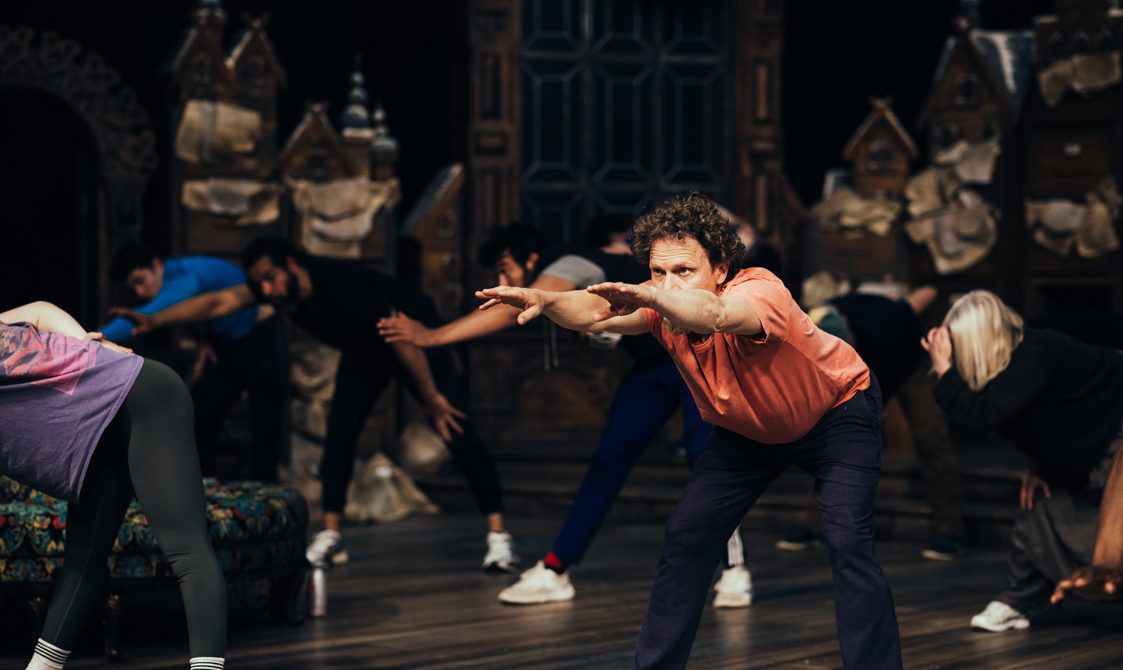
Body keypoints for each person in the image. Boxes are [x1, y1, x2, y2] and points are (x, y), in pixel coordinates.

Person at [477, 193, 902, 669]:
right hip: (748, 435)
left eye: (684, 271)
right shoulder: (661, 303)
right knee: (686, 536)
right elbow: (592, 308)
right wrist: (547, 299)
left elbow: (718, 316)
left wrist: (657, 297)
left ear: (720, 268)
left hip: (837, 414)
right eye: (658, 272)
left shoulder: (761, 290)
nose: (667, 283)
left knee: (847, 543)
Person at [377, 217, 754, 608]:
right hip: (654, 367)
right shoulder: (586, 265)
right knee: (609, 459)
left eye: (506, 267)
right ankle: (556, 569)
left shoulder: (566, 263)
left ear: (531, 257)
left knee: (705, 460)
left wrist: (431, 337)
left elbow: (516, 307)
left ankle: (734, 569)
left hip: (701, 354)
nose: (505, 279)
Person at [118, 239, 517, 572]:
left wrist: (430, 398)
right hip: (365, 351)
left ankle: (498, 537)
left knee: (456, 427)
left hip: (415, 338)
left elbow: (401, 336)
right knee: (340, 434)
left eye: (271, 278)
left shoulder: (339, 286)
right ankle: (331, 535)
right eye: (261, 284)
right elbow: (216, 303)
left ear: (291, 264)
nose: (268, 290)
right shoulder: (280, 291)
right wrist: (154, 322)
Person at [1, 301, 226, 670]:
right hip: (95, 431)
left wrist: (88, 345)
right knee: (82, 560)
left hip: (145, 398)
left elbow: (40, 312)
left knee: (185, 551)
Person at [922, 290, 1123, 631]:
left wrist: (943, 370)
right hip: (1089, 455)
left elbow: (981, 413)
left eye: (957, 349)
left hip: (1116, 445)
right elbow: (1049, 417)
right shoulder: (1010, 371)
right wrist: (1039, 462)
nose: (954, 357)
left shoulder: (1035, 351)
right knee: (1040, 505)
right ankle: (1020, 601)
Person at [780, 287, 966, 560]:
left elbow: (925, 294)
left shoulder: (882, 320)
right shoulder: (806, 329)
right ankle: (814, 526)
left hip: (908, 366)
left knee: (931, 439)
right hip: (859, 374)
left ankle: (950, 531)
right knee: (835, 442)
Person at [104, 244, 289, 482]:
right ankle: (203, 486)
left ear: (157, 266)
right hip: (225, 342)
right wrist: (206, 341)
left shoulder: (183, 278)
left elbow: (148, 317)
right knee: (203, 409)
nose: (140, 292)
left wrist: (85, 338)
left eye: (141, 281)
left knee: (265, 418)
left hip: (258, 332)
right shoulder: (174, 277)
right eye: (133, 287)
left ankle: (265, 491)